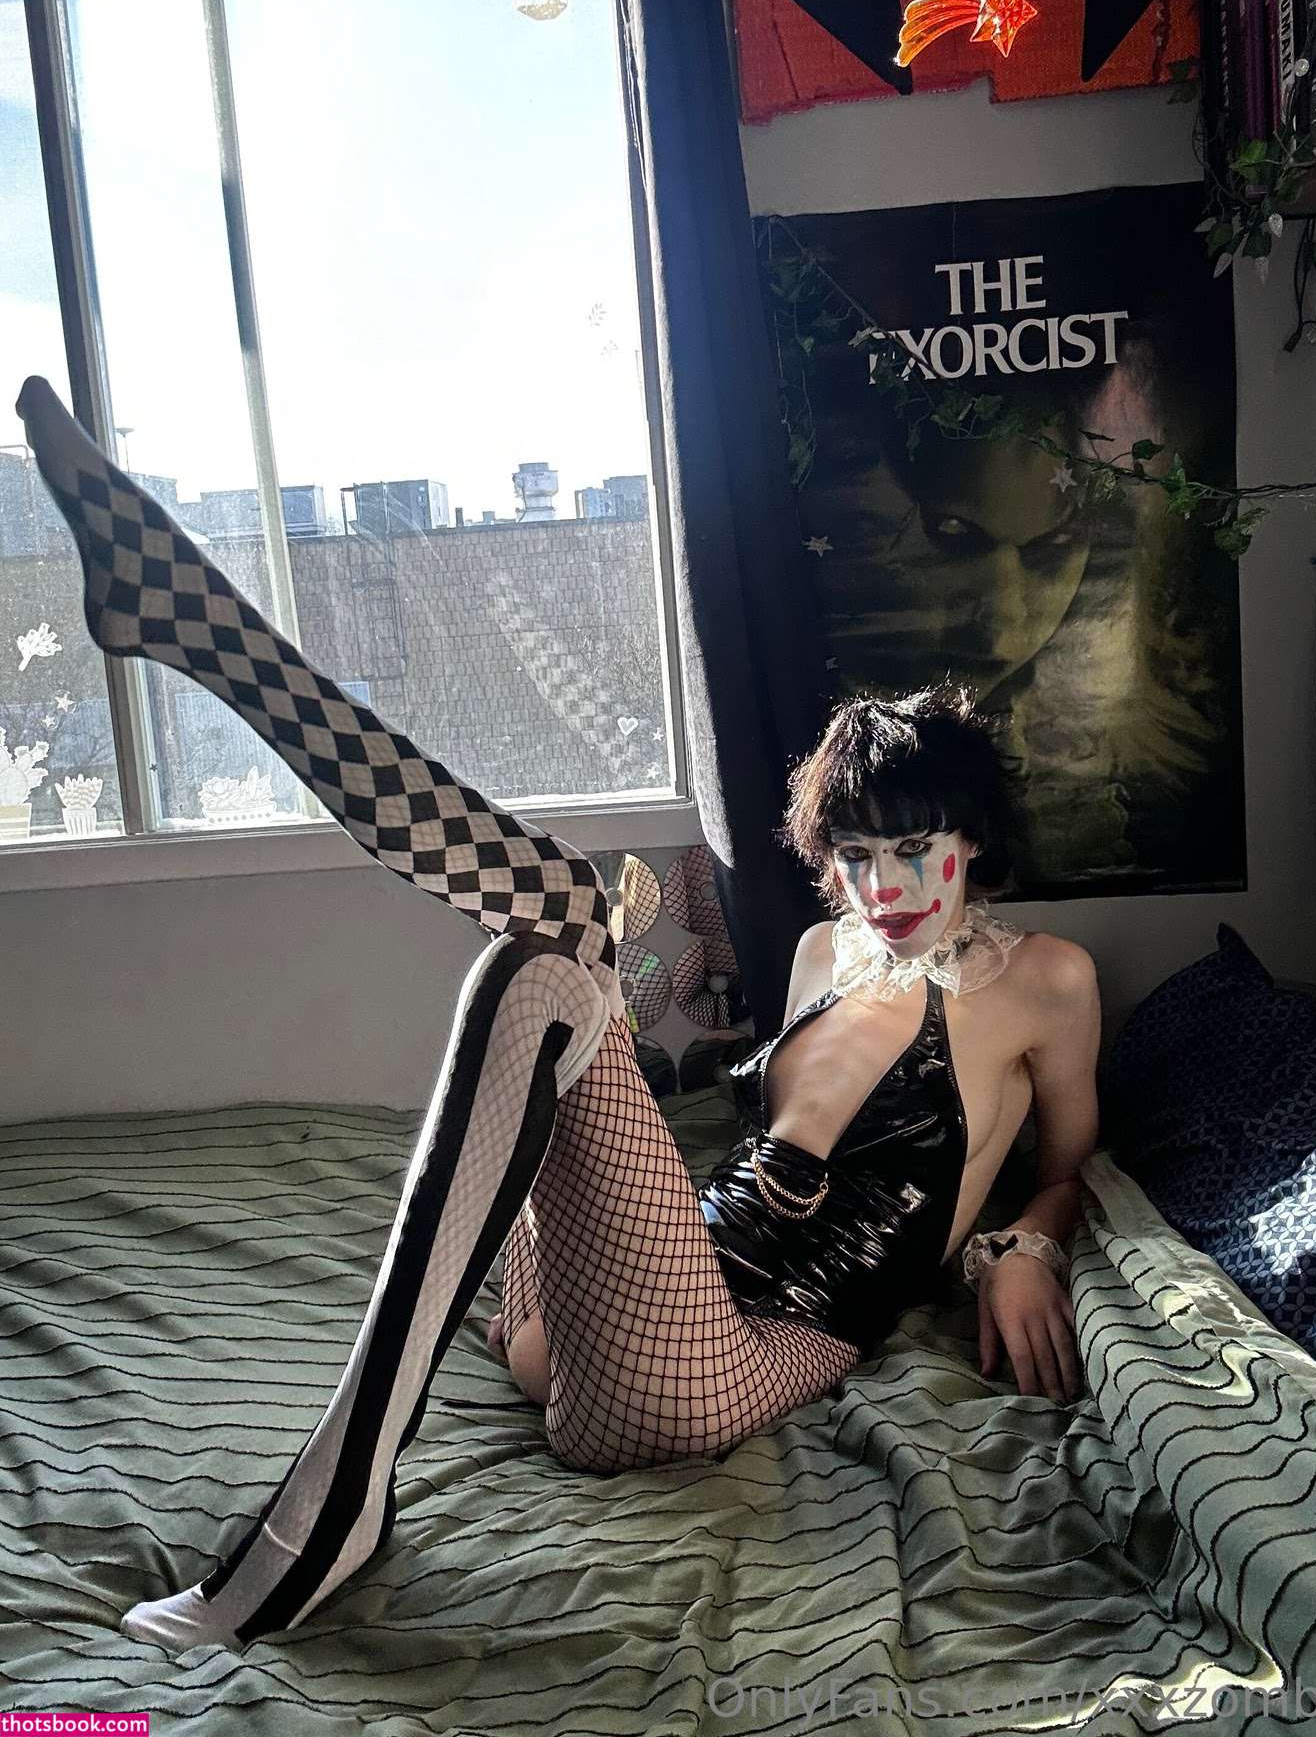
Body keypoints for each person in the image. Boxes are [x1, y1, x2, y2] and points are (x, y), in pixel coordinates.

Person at [15, 375, 1100, 1660]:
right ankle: (209, 639)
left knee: (553, 945)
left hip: (713, 1365)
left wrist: (1020, 1248)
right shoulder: (822, 951)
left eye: (915, 850)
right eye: (857, 857)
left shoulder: (1046, 981)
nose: (886, 887)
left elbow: (1068, 1163)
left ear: (973, 843)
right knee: (554, 967)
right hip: (576, 1310)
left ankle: (328, 1516)